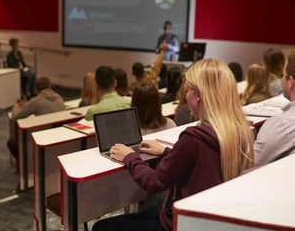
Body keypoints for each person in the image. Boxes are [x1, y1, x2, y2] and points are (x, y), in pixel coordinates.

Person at [92, 58, 254, 231]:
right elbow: (200, 163)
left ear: (198, 96)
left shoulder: (194, 138)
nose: (185, 96)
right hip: (205, 220)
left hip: (178, 223)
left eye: (187, 91)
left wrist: (129, 157)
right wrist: (167, 151)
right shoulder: (241, 131)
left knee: (101, 227)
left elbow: (154, 182)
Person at [7, 77, 65, 162]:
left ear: (36, 89)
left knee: (12, 143)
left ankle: (23, 165)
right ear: (50, 86)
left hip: (42, 136)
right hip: (58, 134)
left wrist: (15, 108)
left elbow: (14, 117)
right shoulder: (59, 98)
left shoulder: (36, 101)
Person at [254, 50, 295, 167]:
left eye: (283, 75)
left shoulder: (281, 124)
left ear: (291, 82)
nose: (281, 80)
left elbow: (250, 165)